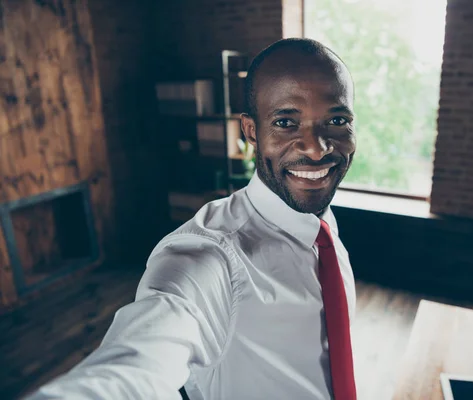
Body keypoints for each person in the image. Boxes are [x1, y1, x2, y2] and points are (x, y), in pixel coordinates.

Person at [28, 38, 358, 400]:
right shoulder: (212, 255)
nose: (316, 147)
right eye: (285, 122)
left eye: (336, 120)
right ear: (250, 131)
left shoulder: (319, 225)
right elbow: (137, 363)